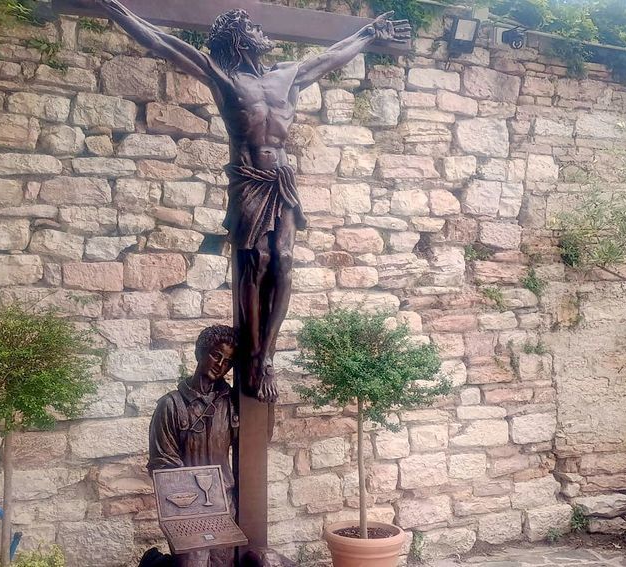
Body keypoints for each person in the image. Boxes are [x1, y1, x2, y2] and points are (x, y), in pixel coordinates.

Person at [97, 0, 410, 403]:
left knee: (284, 259)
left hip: (281, 179)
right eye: (255, 29)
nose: (264, 33)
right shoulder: (223, 77)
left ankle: (266, 355)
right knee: (256, 262)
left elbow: (330, 57)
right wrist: (113, 9)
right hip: (248, 180)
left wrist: (368, 33)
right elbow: (162, 42)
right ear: (241, 41)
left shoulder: (287, 75)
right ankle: (253, 351)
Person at [148, 325, 238, 567]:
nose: (221, 365)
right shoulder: (170, 405)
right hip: (184, 505)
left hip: (224, 502)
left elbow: (257, 439)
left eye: (228, 362)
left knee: (223, 563)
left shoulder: (231, 403)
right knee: (193, 563)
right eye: (216, 355)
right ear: (200, 352)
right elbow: (163, 465)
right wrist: (188, 503)